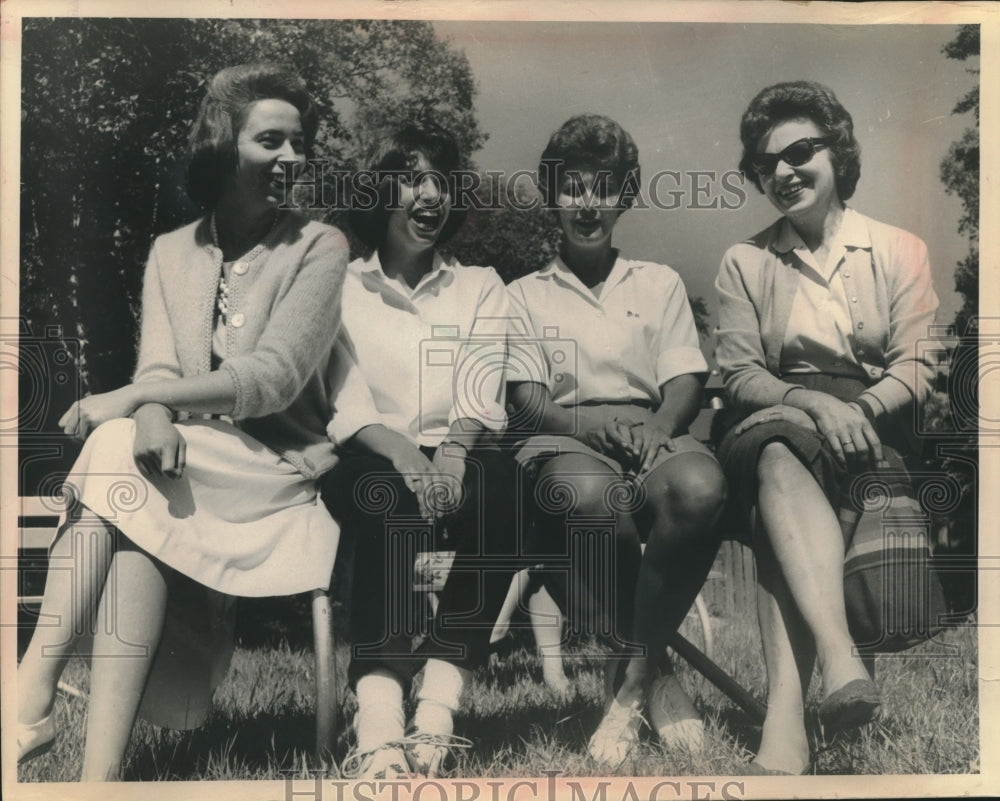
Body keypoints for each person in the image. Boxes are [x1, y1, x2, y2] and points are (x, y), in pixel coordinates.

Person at [16, 63, 349, 780]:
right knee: (131, 495)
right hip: (184, 465)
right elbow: (160, 367)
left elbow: (273, 377)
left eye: (299, 144)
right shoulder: (172, 251)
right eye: (271, 141)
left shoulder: (320, 246)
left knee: (110, 438)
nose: (292, 159)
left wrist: (128, 404)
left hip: (272, 470)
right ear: (224, 145)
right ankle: (97, 780)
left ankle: (28, 691)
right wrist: (153, 407)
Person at [714, 80, 939, 775]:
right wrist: (813, 405)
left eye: (800, 150)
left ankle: (786, 727)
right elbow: (739, 373)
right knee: (780, 458)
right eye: (765, 161)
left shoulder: (898, 248)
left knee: (796, 482)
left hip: (874, 421)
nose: (782, 171)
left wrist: (859, 410)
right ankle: (838, 662)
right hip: (773, 414)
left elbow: (918, 365)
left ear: (838, 151)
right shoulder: (744, 261)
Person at [507, 114, 726, 767]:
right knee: (590, 494)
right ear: (554, 195)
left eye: (603, 188)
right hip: (563, 432)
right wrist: (591, 425)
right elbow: (525, 398)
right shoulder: (524, 293)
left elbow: (685, 374)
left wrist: (661, 428)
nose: (587, 204)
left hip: (648, 424)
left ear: (624, 195)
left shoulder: (655, 282)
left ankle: (630, 680)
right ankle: (652, 679)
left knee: (700, 485)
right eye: (572, 188)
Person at [323, 123, 517, 780]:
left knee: (508, 493)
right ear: (381, 190)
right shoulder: (340, 286)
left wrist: (455, 456)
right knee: (387, 497)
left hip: (457, 445)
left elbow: (482, 381)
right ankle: (377, 712)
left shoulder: (481, 285)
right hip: (370, 450)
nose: (429, 194)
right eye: (411, 178)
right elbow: (344, 400)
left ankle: (438, 698)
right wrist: (407, 457)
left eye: (441, 180)